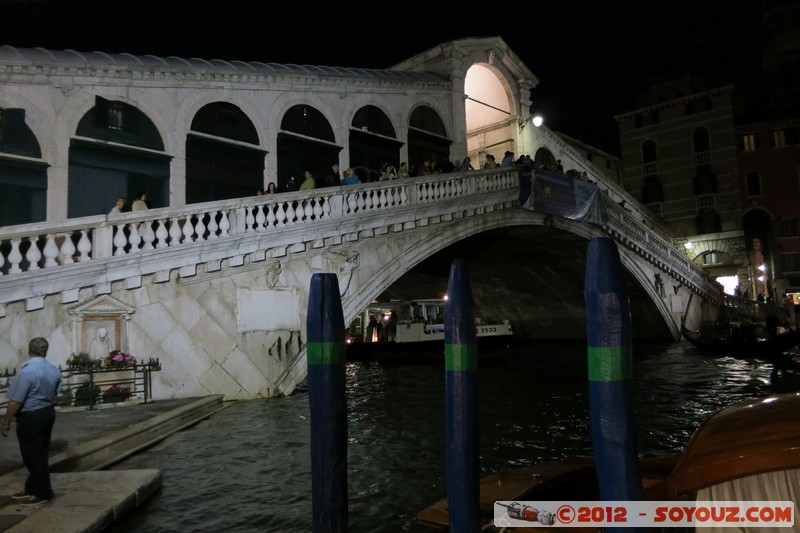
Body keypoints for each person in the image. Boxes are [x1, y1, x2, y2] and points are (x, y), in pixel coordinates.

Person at [2, 337, 62, 504]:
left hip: (31, 416)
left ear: (29, 350)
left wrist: (6, 421)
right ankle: (31, 487)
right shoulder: (54, 370)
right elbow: (58, 396)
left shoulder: (26, 372)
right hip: (48, 412)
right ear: (46, 351)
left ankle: (43, 492)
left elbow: (15, 401)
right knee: (40, 451)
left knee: (33, 455)